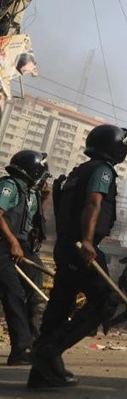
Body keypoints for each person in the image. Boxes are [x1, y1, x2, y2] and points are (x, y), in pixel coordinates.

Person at [28, 124, 127, 389]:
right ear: (114, 147)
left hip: (65, 245)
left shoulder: (76, 172)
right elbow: (94, 202)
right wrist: (86, 241)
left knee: (59, 306)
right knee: (105, 302)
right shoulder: (102, 171)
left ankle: (41, 374)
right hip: (82, 247)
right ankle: (49, 352)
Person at [0, 150, 50, 365]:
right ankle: (20, 349)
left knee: (37, 293)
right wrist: (12, 243)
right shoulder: (9, 186)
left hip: (25, 247)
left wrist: (45, 198)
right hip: (4, 245)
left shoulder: (33, 192)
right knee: (14, 295)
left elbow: (33, 220)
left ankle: (35, 344)